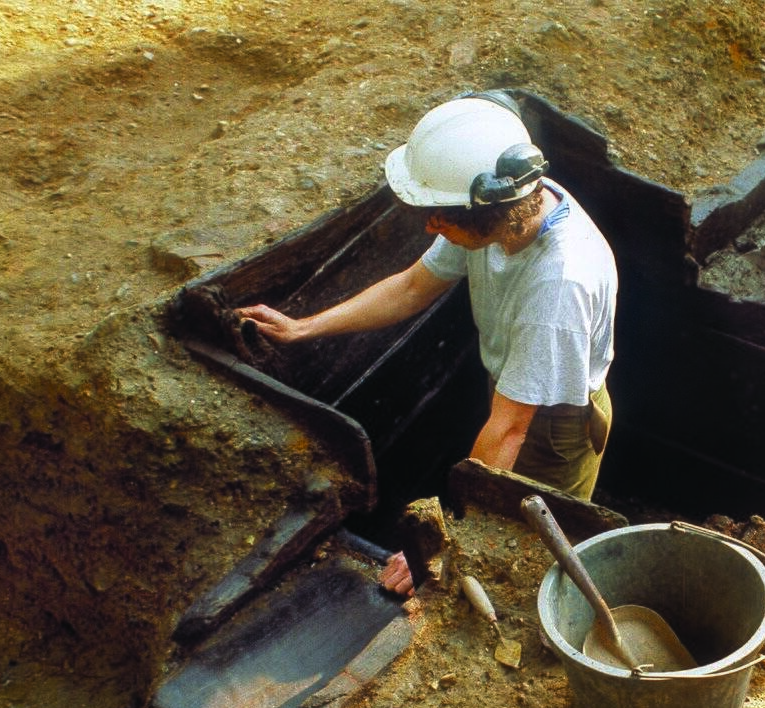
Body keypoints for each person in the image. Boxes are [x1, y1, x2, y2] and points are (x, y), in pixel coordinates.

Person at [237, 92, 618, 595]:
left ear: (490, 213)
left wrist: (442, 542)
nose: (429, 225)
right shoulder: (505, 205)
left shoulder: (559, 285)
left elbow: (509, 431)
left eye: (440, 215)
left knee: (531, 557)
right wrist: (304, 327)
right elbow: (415, 285)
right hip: (514, 392)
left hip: (553, 427)